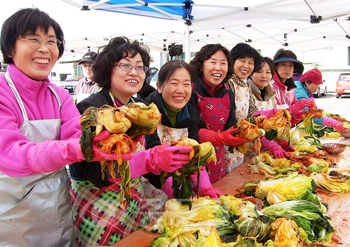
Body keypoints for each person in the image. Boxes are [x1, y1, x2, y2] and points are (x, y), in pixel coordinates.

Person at [0, 8, 127, 247]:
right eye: (33, 39)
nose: (44, 48)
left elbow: (79, 138)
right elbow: (10, 155)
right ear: (9, 49)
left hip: (56, 212)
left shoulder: (59, 96)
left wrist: (109, 144)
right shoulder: (3, 93)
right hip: (8, 215)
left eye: (52, 41)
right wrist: (76, 148)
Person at [68, 37, 193, 247]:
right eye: (125, 65)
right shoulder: (90, 110)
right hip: (98, 209)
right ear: (108, 69)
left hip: (134, 205)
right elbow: (96, 174)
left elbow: (153, 156)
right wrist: (148, 161)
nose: (134, 72)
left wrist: (179, 191)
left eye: (140, 67)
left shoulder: (143, 108)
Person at [143, 60, 222, 220]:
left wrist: (204, 186)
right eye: (174, 83)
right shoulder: (146, 113)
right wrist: (178, 191)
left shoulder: (191, 114)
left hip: (179, 196)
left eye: (186, 84)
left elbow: (195, 156)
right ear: (159, 86)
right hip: (150, 193)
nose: (181, 90)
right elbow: (151, 158)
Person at [189, 44, 249, 183]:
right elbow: (193, 128)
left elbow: (231, 123)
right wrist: (220, 137)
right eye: (212, 62)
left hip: (218, 159)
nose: (218, 67)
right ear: (201, 65)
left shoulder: (228, 93)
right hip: (196, 159)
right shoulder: (191, 90)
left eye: (223, 63)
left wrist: (242, 132)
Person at [224, 43, 261, 172]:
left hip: (241, 142)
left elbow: (253, 113)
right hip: (227, 142)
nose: (246, 66)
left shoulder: (246, 85)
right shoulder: (228, 82)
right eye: (242, 60)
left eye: (250, 62)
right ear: (232, 61)